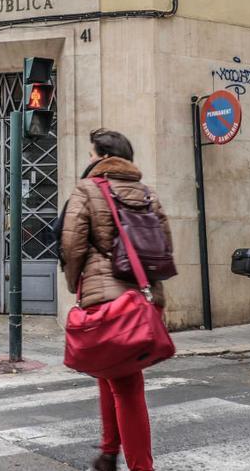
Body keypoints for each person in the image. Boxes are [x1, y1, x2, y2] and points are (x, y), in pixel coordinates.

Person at [60, 129, 172, 471]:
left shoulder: (89, 189)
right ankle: (109, 451)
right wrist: (157, 297)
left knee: (125, 384)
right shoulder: (148, 194)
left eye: (92, 154)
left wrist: (75, 283)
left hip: (103, 297)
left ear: (102, 156)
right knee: (112, 373)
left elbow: (72, 244)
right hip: (138, 296)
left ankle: (140, 467)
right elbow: (162, 249)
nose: (89, 159)